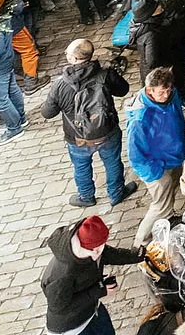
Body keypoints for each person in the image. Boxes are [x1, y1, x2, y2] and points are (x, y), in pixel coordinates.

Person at [41, 214, 142, 335]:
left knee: (107, 334)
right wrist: (99, 291)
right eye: (94, 250)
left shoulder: (94, 247)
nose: (98, 254)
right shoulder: (62, 274)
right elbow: (59, 307)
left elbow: (110, 254)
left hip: (90, 310)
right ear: (81, 245)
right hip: (68, 329)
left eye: (100, 248)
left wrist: (138, 255)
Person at [34, 39, 133, 209]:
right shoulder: (105, 74)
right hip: (107, 131)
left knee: (81, 166)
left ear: (73, 59)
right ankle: (116, 194)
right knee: (113, 162)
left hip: (77, 137)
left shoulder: (60, 85)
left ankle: (86, 197)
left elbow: (47, 113)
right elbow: (123, 90)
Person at [125, 67, 185, 247]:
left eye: (169, 90)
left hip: (175, 157)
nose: (166, 95)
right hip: (157, 168)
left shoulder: (172, 96)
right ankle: (141, 244)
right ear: (149, 90)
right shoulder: (140, 118)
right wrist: (156, 173)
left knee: (168, 199)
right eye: (162, 92)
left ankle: (168, 219)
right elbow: (135, 155)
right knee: (160, 206)